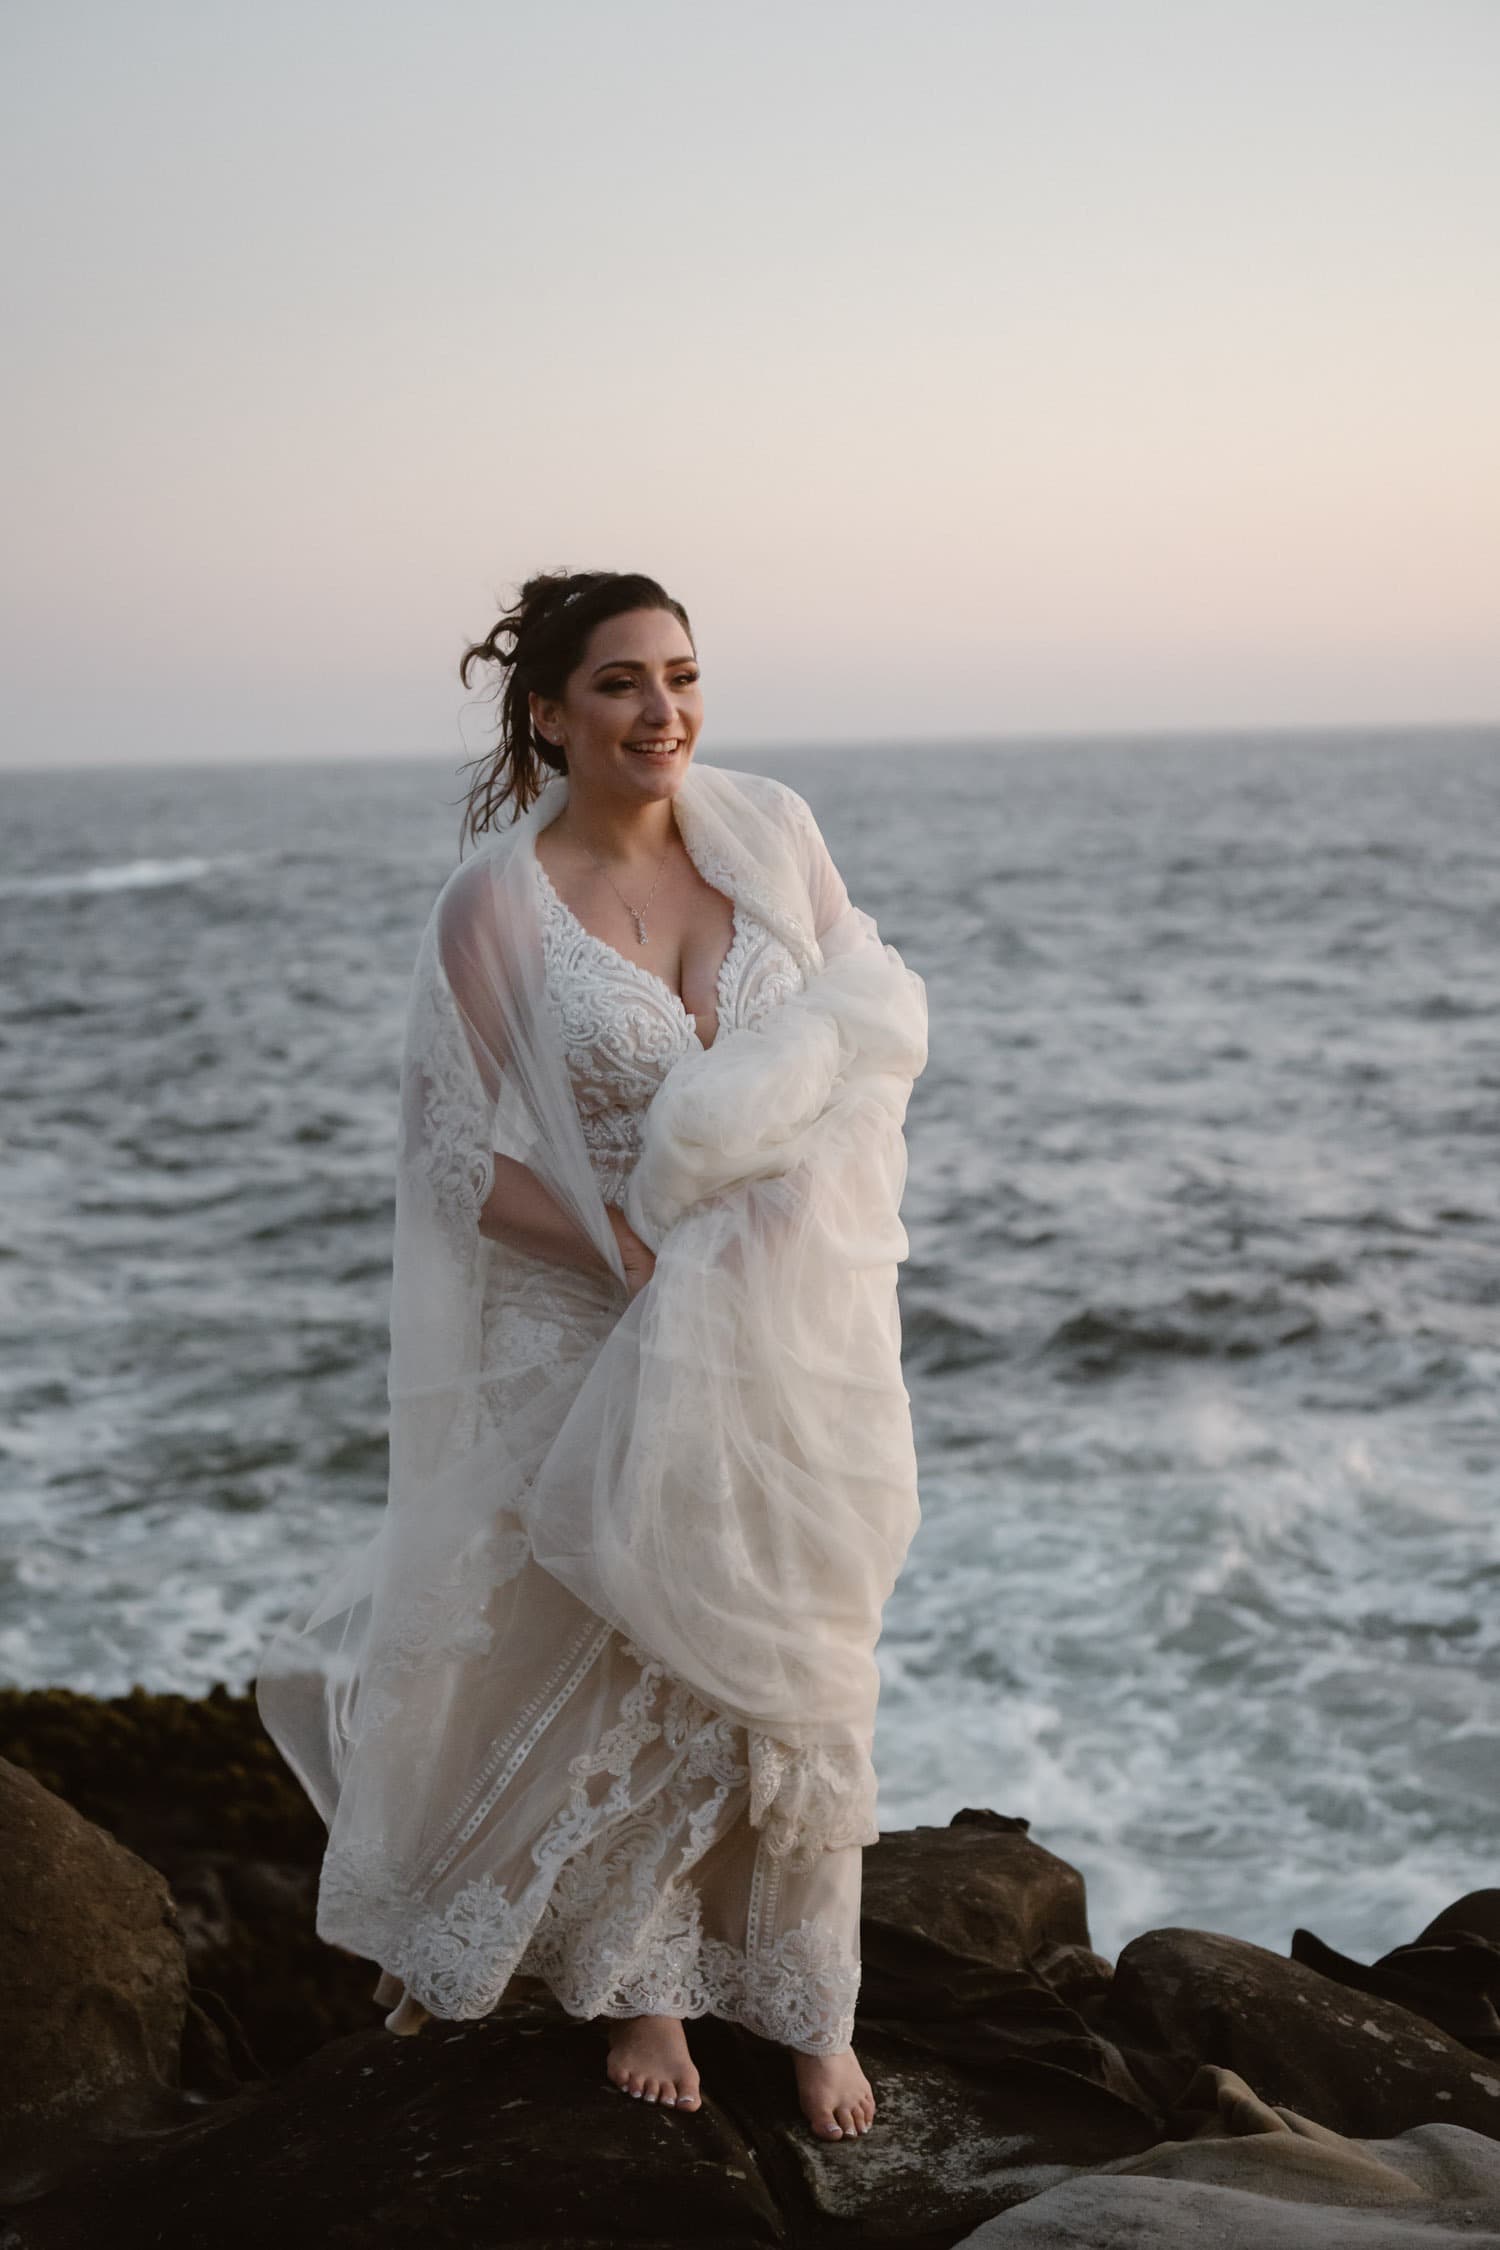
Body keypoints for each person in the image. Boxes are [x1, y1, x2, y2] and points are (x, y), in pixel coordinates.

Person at [255, 569, 928, 2143]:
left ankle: (813, 2001)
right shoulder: (498, 903)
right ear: (549, 713)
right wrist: (625, 1255)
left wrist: (788, 1230)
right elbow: (448, 1158)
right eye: (620, 684)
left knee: (798, 1637)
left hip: (784, 1318)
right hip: (595, 1311)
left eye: (683, 676)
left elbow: (871, 1034)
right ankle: (646, 1980)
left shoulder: (771, 838)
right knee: (628, 1635)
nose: (664, 711)